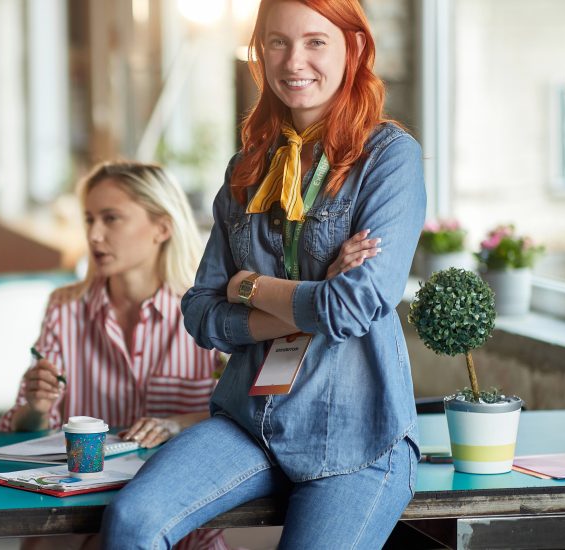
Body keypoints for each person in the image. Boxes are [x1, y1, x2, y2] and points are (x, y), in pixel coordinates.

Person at [101, 0, 425, 547]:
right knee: (133, 521)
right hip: (249, 424)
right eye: (277, 41)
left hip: (356, 438)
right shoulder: (247, 168)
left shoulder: (389, 158)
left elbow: (352, 307)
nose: (294, 59)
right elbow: (201, 312)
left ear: (355, 48)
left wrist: (250, 288)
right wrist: (311, 295)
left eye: (316, 41)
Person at [0, 162, 227, 550]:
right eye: (88, 219)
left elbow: (248, 415)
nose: (94, 235)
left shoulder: (209, 314)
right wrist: (36, 406)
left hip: (183, 520)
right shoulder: (64, 308)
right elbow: (24, 427)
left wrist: (180, 423)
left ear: (162, 227)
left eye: (111, 219)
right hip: (78, 521)